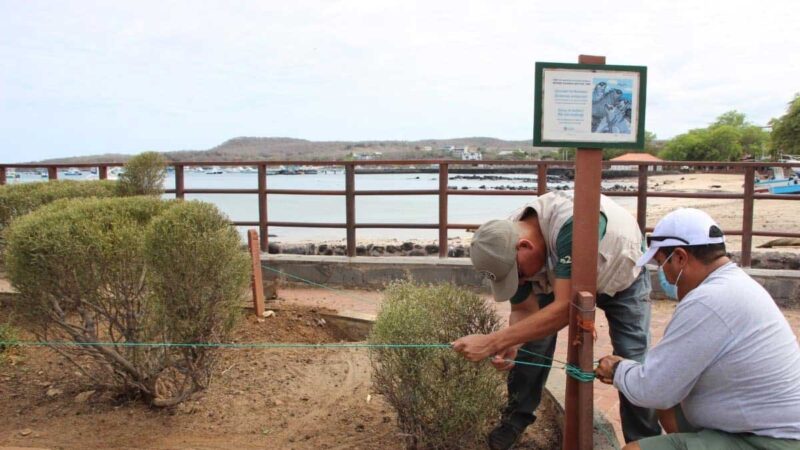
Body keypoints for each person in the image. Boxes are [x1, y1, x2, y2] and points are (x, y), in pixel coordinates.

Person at [452, 190, 661, 449]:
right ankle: (515, 420)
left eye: (518, 275)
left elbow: (566, 310)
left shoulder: (573, 226)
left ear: (525, 246)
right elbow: (524, 311)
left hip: (623, 276)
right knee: (531, 344)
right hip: (561, 275)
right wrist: (512, 342)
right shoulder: (503, 245)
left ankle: (644, 441)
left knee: (633, 358)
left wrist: (493, 341)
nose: (520, 282)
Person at [595, 208, 800, 450]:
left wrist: (617, 370)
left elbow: (653, 389)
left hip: (770, 440)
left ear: (680, 258)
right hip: (758, 422)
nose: (663, 274)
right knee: (667, 404)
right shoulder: (735, 283)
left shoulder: (708, 301)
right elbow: (665, 381)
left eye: (661, 264)